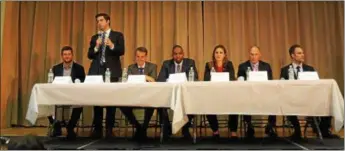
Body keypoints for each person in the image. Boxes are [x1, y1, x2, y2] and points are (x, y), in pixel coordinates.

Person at [280, 44, 337, 139]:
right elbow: (282, 86)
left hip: (310, 99)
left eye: (302, 53)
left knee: (327, 100)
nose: (302, 55)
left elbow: (317, 85)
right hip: (292, 100)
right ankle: (297, 131)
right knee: (286, 103)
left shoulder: (310, 69)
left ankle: (324, 129)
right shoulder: (285, 70)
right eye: (299, 53)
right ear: (292, 55)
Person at [87, 13, 125, 138]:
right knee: (97, 101)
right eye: (97, 21)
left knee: (111, 101)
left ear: (108, 21)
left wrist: (112, 45)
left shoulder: (117, 35)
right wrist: (97, 47)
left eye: (101, 20)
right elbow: (90, 55)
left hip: (112, 71)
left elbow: (121, 51)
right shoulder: (95, 37)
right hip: (97, 71)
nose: (99, 23)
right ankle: (97, 129)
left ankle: (109, 128)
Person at [157, 45, 199, 139]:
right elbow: (160, 80)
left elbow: (195, 79)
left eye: (180, 54)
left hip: (185, 94)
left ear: (183, 54)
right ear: (172, 55)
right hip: (169, 95)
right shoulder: (167, 64)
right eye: (175, 54)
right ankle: (167, 127)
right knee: (159, 103)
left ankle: (185, 127)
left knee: (194, 102)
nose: (178, 56)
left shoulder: (190, 63)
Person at [237, 46, 276, 138]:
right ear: (249, 55)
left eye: (256, 54)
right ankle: (249, 126)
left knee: (275, 101)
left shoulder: (266, 66)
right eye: (252, 54)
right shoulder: (242, 66)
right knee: (244, 101)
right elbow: (240, 80)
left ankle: (270, 126)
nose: (253, 56)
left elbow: (269, 81)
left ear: (260, 55)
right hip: (248, 94)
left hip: (264, 94)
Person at [46, 46, 85, 139]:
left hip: (74, 95)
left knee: (80, 104)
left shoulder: (79, 68)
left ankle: (70, 127)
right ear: (62, 56)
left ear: (72, 55)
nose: (67, 56)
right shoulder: (56, 68)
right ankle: (56, 125)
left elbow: (83, 83)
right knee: (46, 101)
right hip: (59, 95)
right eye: (65, 54)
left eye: (69, 54)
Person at [203, 45, 235, 139]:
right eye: (216, 52)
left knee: (235, 105)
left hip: (227, 94)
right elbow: (206, 80)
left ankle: (233, 132)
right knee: (207, 106)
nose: (218, 54)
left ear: (224, 54)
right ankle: (215, 131)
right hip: (213, 95)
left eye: (221, 52)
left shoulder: (229, 64)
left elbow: (232, 78)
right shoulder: (209, 65)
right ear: (213, 54)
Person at [126, 47, 158, 140]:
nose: (140, 59)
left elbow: (153, 80)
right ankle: (139, 127)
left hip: (148, 96)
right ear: (135, 57)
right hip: (133, 96)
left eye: (142, 57)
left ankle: (143, 127)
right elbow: (128, 81)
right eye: (138, 56)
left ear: (146, 57)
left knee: (151, 105)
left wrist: (142, 77)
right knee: (123, 106)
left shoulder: (152, 67)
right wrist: (145, 77)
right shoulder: (131, 67)